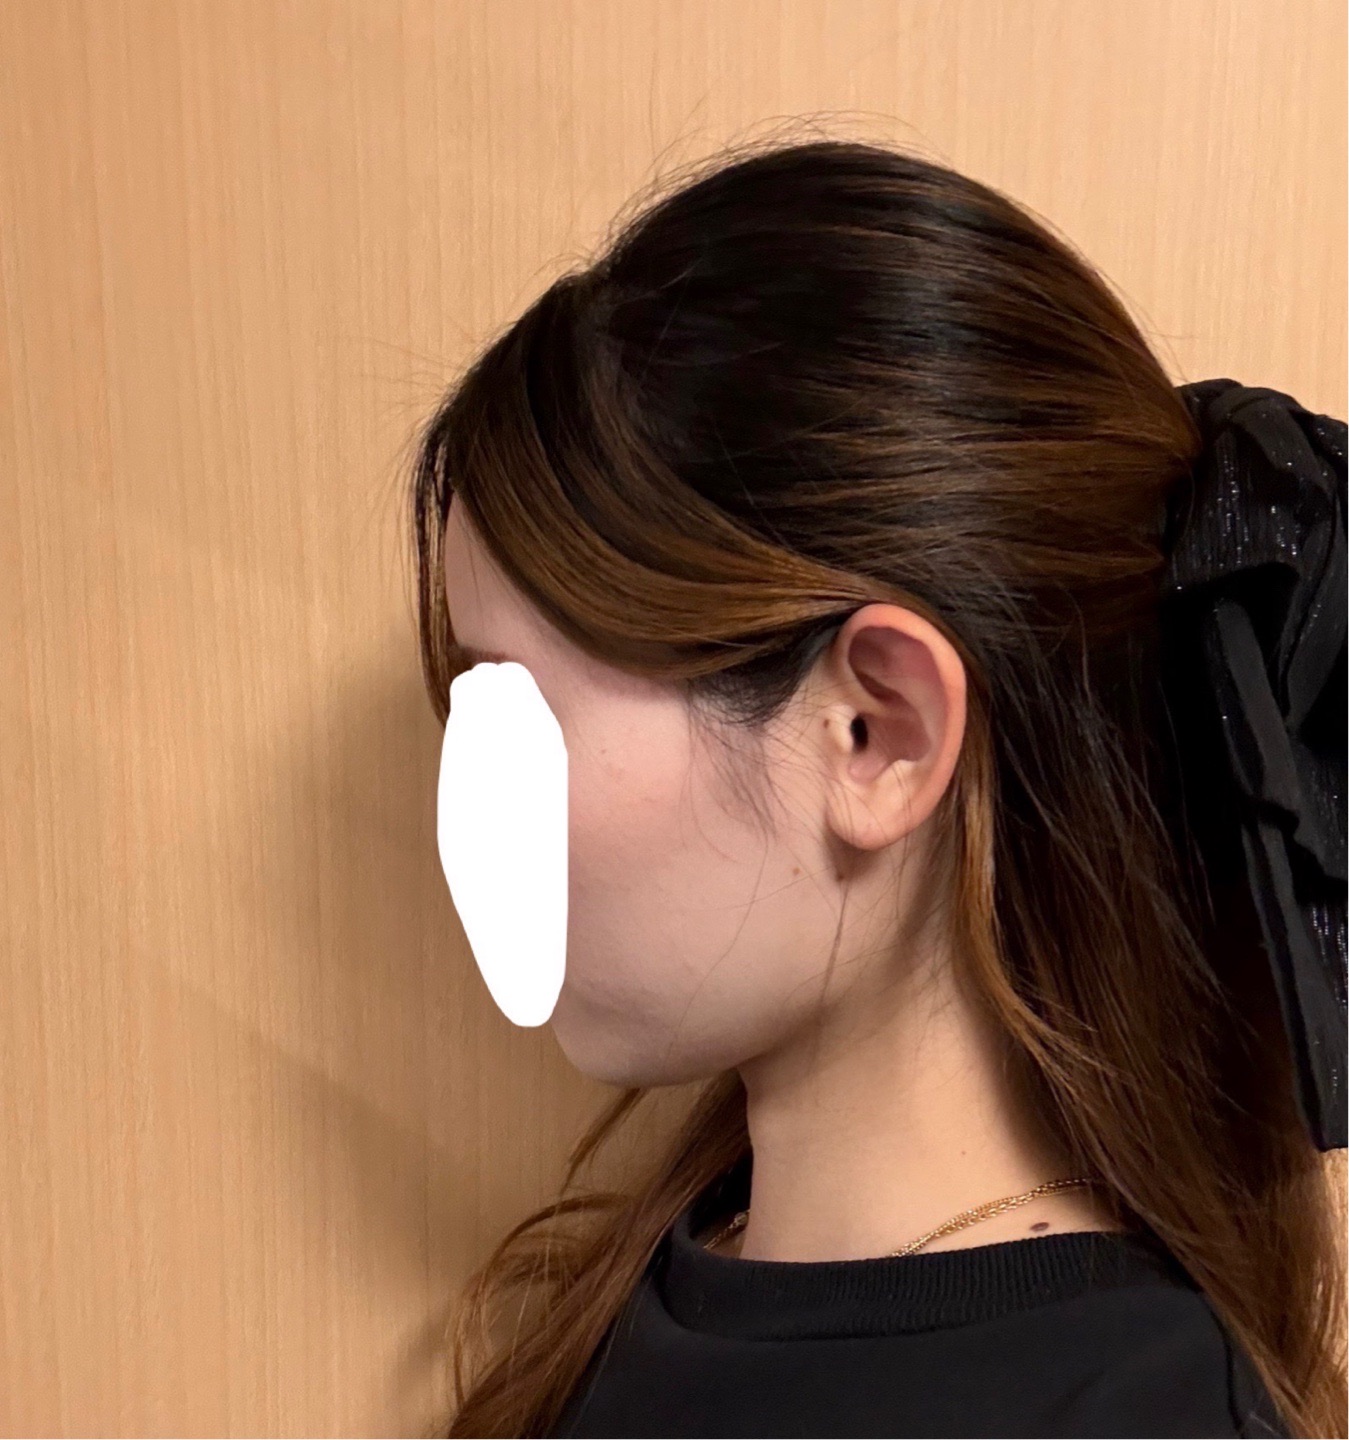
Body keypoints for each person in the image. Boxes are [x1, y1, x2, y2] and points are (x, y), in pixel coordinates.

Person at [406, 139, 1347, 1438]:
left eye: (518, 710)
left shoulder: (1145, 1413)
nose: (463, 820)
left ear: (876, 732)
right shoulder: (636, 1298)